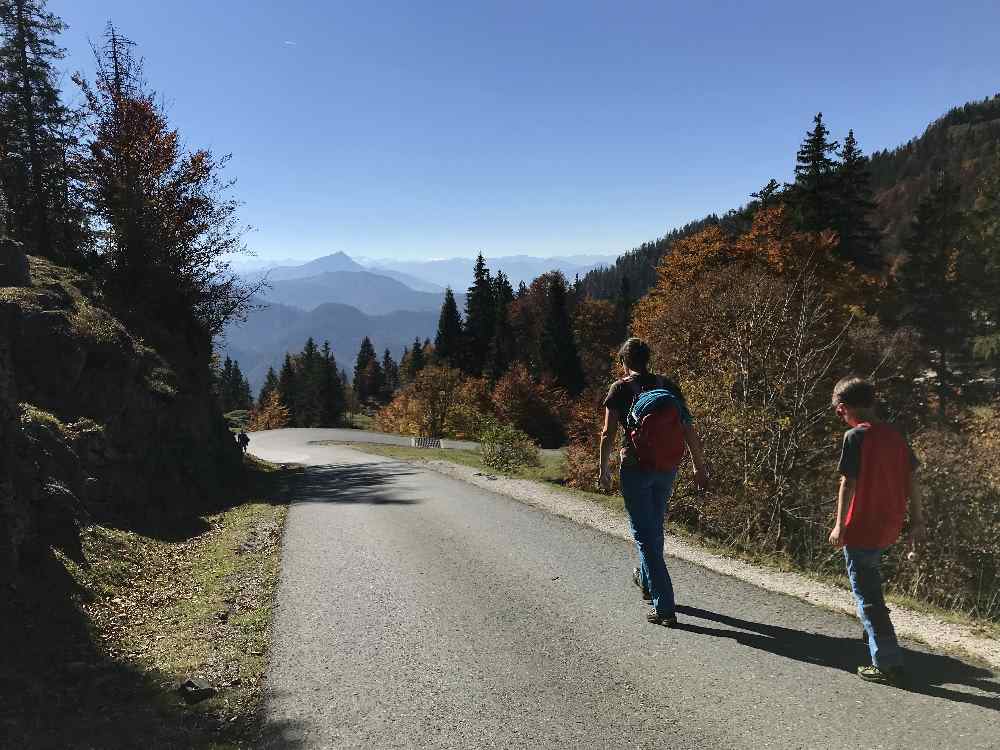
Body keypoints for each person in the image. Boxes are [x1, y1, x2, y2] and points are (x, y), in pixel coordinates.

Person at [599, 337, 710, 627]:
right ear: (648, 360)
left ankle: (664, 607)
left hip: (636, 468)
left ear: (623, 362)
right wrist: (699, 466)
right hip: (667, 467)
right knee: (654, 527)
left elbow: (608, 433)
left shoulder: (620, 389)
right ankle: (648, 582)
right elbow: (687, 428)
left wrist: (603, 470)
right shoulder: (667, 386)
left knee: (644, 536)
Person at [828, 376, 924, 684]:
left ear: (844, 408)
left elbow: (848, 483)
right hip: (889, 524)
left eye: (839, 413)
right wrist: (917, 519)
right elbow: (913, 480)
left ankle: (887, 661)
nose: (840, 418)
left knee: (868, 594)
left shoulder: (855, 437)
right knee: (870, 584)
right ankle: (874, 640)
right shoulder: (896, 436)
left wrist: (839, 525)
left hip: (862, 527)